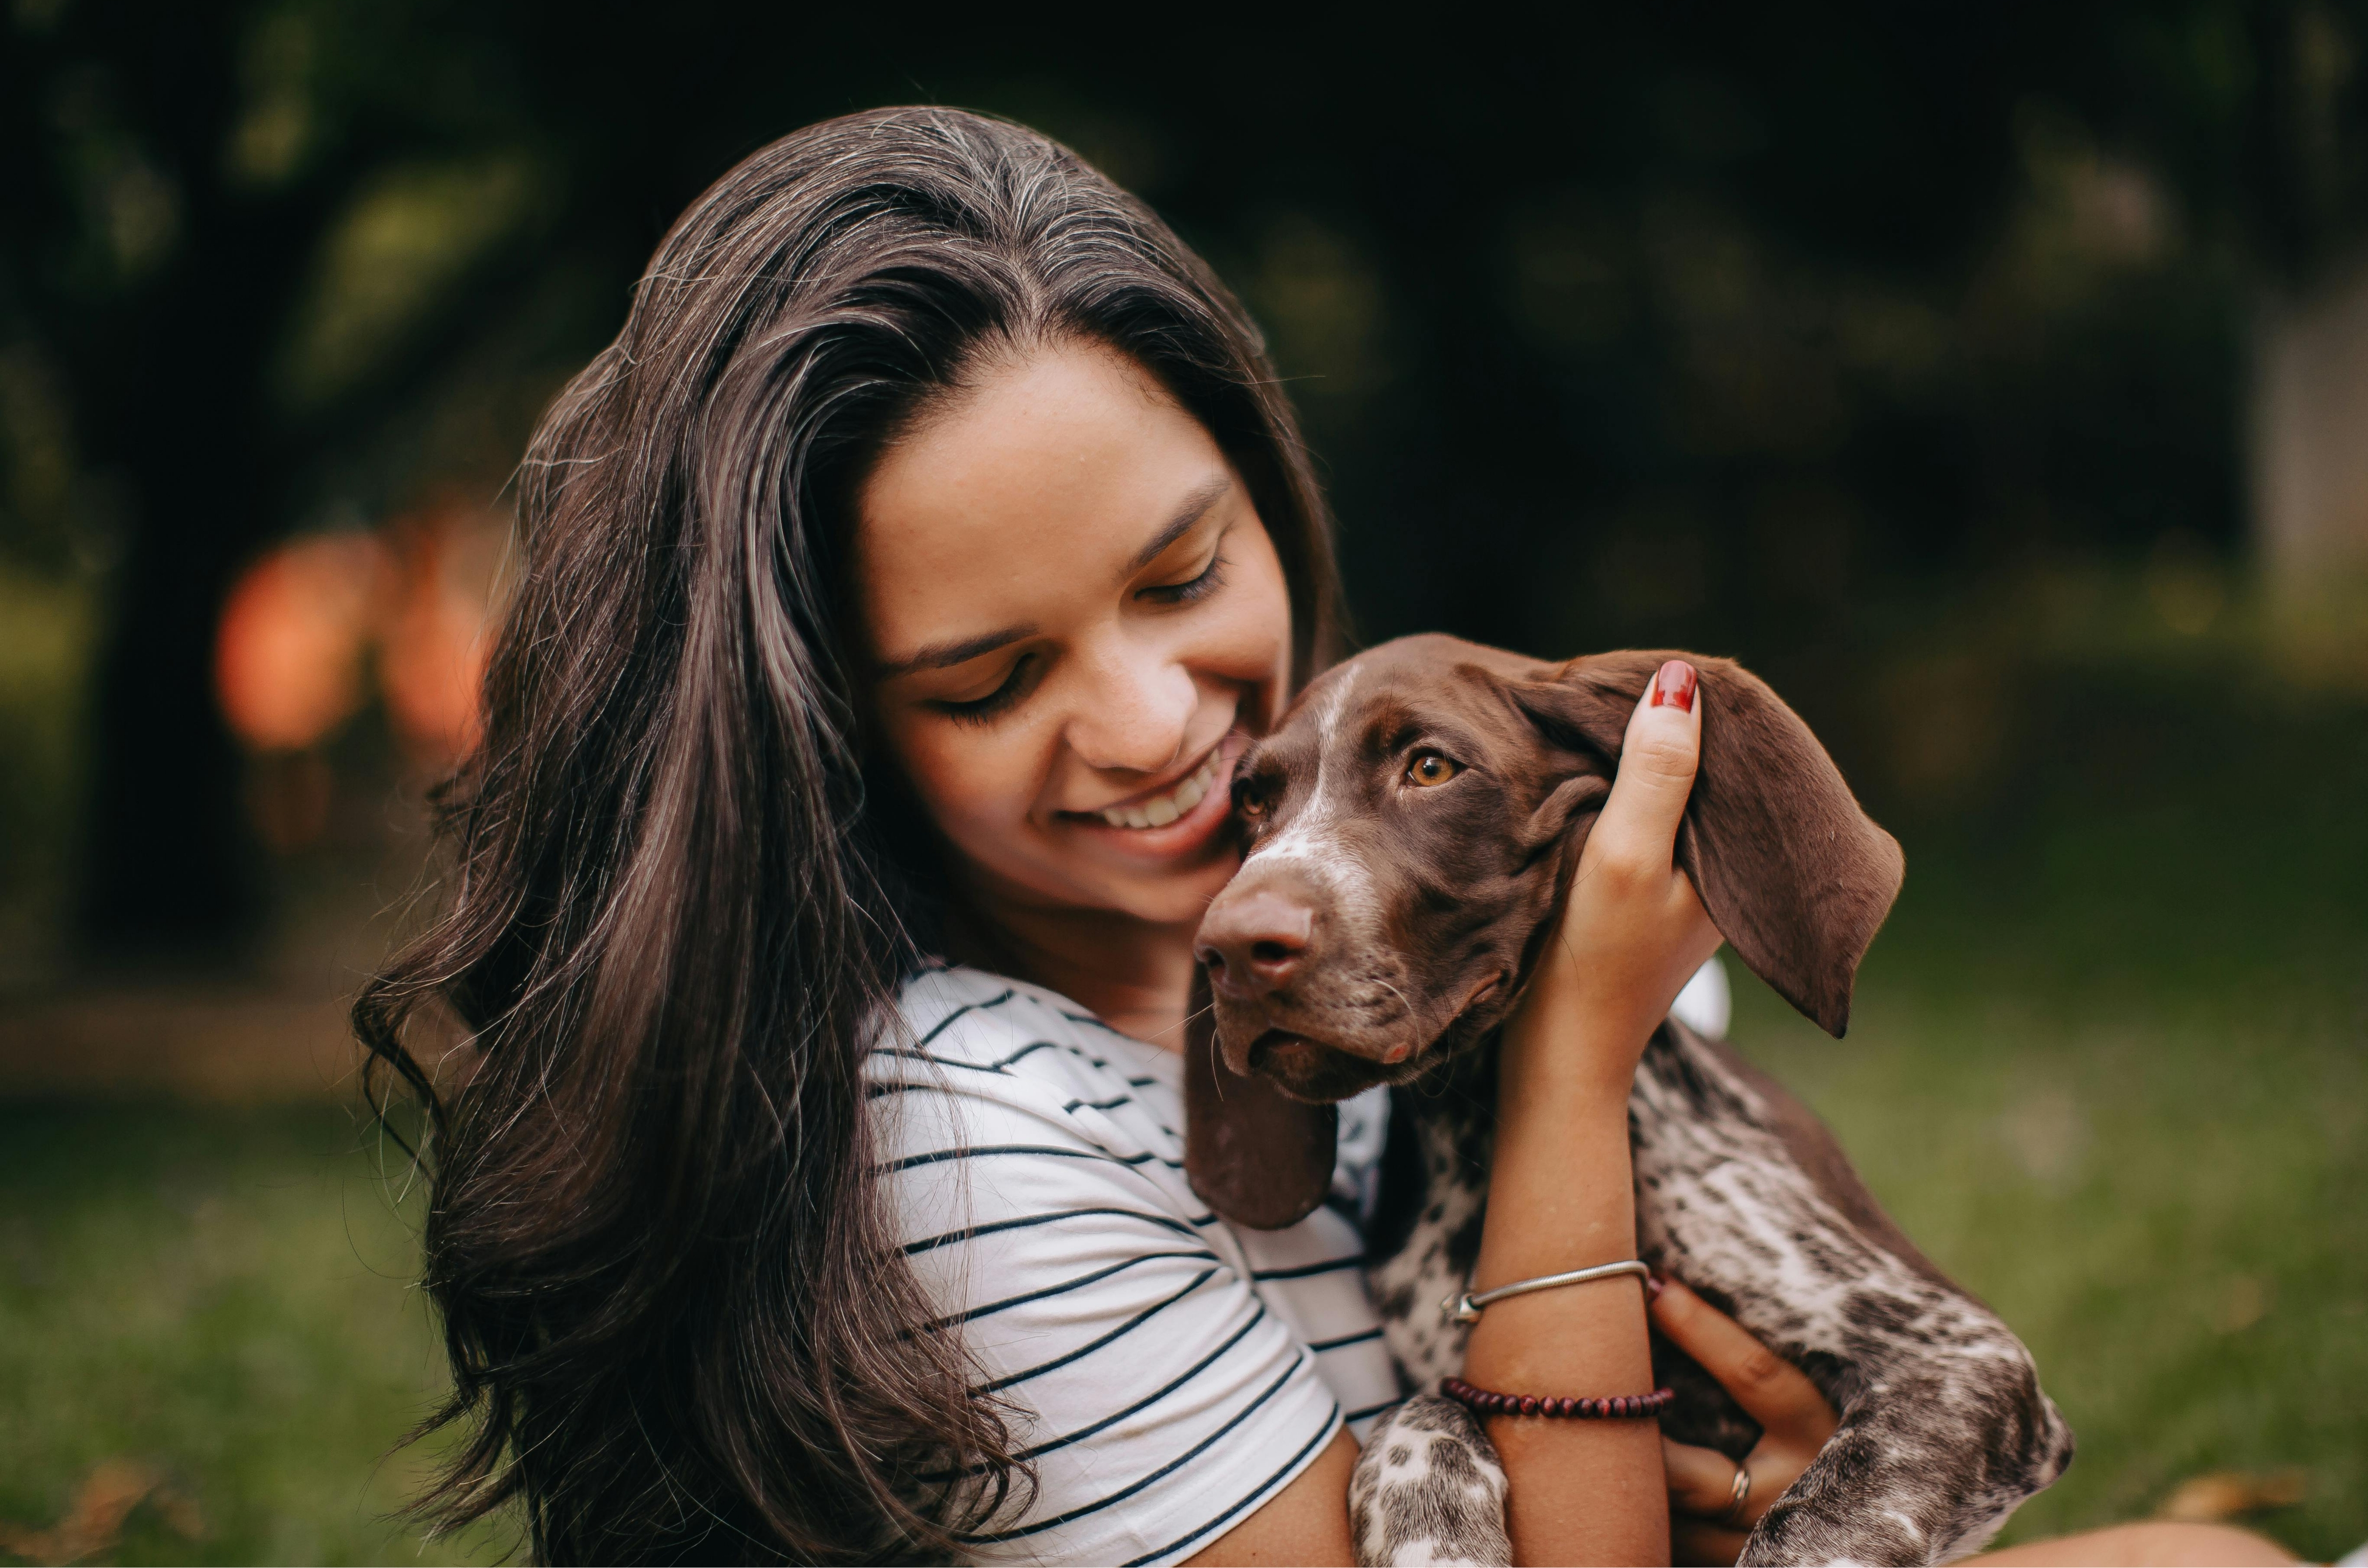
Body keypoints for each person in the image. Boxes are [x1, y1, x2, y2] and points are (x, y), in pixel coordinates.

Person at [357, 108, 2296, 1567]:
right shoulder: (963, 1143)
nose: (1157, 731)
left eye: (1182, 574)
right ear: (823, 734)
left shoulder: (1413, 949)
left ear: (1266, 486)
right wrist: (1573, 1061)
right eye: (989, 679)